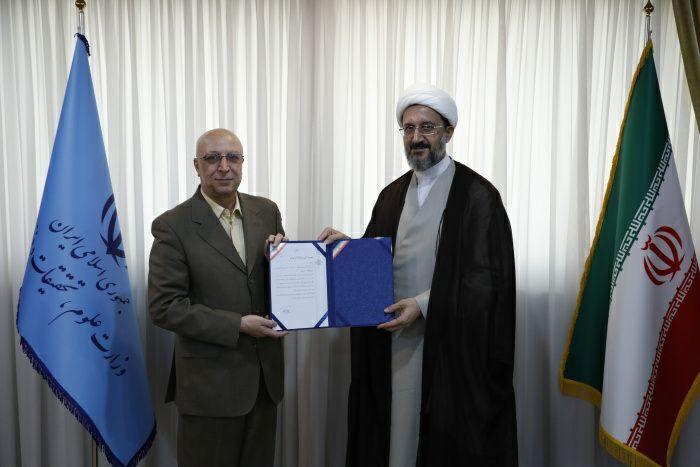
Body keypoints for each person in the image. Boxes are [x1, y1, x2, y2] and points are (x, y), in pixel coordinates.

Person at [319, 84, 518, 466]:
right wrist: (348, 251)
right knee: (393, 437)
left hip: (449, 349)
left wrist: (425, 305)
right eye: (408, 128)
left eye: (427, 127)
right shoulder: (391, 194)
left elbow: (487, 280)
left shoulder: (478, 196)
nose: (416, 138)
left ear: (448, 132)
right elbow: (376, 265)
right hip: (393, 340)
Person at [148, 128, 287, 467]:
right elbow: (164, 307)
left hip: (264, 383)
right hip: (210, 388)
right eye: (213, 158)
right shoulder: (173, 225)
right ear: (197, 166)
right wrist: (236, 324)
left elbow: (281, 285)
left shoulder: (267, 211)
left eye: (233, 158)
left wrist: (282, 262)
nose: (224, 166)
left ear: (243, 163)